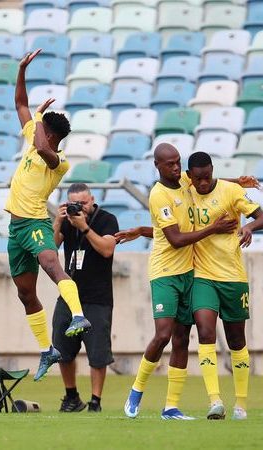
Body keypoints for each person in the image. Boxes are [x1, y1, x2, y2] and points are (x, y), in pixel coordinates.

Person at [117, 144, 239, 420]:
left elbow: (207, 183)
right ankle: (136, 390)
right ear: (157, 166)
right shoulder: (159, 195)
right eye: (169, 164)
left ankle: (170, 407)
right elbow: (174, 239)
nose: (175, 168)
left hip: (189, 273)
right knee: (163, 335)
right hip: (165, 274)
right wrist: (213, 229)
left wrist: (236, 183)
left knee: (182, 339)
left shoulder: (184, 180)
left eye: (177, 162)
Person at [5, 49, 90, 382]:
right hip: (15, 229)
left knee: (51, 265)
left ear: (50, 135)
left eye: (40, 128)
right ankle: (47, 350)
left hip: (36, 223)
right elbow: (20, 104)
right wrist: (22, 69)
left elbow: (42, 147)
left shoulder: (58, 159)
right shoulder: (34, 136)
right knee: (25, 292)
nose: (33, 127)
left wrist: (38, 119)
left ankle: (78, 315)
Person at [185, 151, 263, 420]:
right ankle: (214, 401)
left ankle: (240, 404)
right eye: (198, 179)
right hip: (203, 276)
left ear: (212, 171)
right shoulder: (185, 189)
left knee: (236, 339)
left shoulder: (231, 191)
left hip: (233, 277)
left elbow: (261, 215)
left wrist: (251, 227)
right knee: (205, 332)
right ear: (189, 176)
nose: (203, 184)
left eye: (207, 177)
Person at [52, 183, 118, 413]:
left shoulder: (106, 219)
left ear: (92, 199)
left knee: (98, 353)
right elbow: (50, 249)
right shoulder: (68, 221)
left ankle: (95, 401)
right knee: (62, 348)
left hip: (98, 297)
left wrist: (85, 228)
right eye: (73, 203)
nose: (78, 207)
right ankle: (71, 396)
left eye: (83, 203)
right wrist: (59, 222)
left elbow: (107, 249)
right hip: (70, 295)